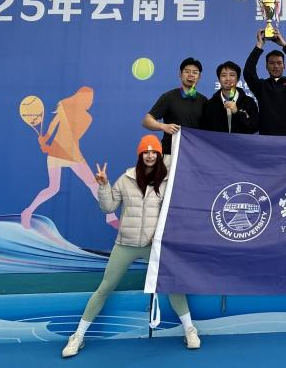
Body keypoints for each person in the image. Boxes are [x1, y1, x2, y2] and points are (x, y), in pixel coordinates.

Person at [61, 135, 200, 357]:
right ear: (140, 154)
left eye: (154, 152)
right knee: (104, 288)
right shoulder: (126, 179)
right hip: (125, 244)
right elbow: (108, 207)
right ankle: (77, 336)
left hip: (153, 246)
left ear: (159, 155)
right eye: (146, 152)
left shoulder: (167, 181)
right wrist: (104, 186)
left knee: (173, 286)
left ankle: (190, 330)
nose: (150, 155)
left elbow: (173, 213)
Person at [21, 86, 117, 230]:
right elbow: (54, 124)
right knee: (55, 188)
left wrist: (48, 147)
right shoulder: (64, 107)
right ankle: (27, 212)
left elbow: (72, 137)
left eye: (92, 99)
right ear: (82, 98)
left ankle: (110, 215)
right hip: (60, 152)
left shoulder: (87, 118)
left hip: (70, 153)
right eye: (89, 98)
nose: (91, 102)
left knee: (91, 183)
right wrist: (45, 139)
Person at [243, 29, 286, 135]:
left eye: (279, 63)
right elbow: (248, 72)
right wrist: (259, 44)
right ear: (266, 66)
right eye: (271, 63)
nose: (276, 66)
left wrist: (284, 44)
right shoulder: (261, 86)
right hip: (267, 138)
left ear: (284, 66)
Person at [142, 57, 207, 160]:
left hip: (195, 155)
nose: (191, 75)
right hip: (170, 153)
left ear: (199, 77)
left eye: (195, 72)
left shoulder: (204, 101)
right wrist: (163, 126)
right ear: (180, 75)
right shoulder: (169, 97)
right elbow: (146, 121)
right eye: (187, 71)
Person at [202, 61, 259, 133]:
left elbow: (254, 127)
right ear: (219, 79)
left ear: (238, 79)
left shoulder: (249, 102)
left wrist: (237, 112)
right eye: (224, 75)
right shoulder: (210, 104)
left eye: (232, 75)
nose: (228, 78)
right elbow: (205, 132)